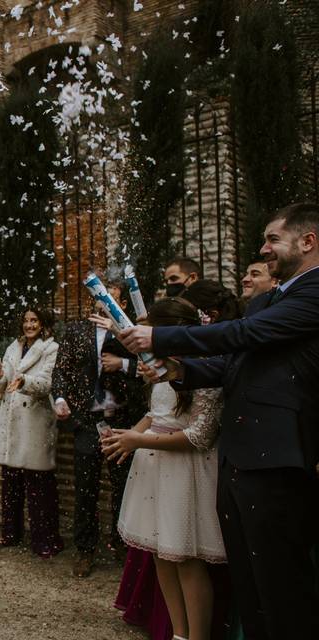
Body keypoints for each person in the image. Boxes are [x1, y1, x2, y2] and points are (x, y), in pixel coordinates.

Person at [118, 202, 319, 639]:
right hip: (239, 458)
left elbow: (242, 335)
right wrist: (176, 370)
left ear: (308, 241)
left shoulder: (314, 293)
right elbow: (233, 362)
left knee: (283, 589)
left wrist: (159, 336)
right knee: (251, 585)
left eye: (272, 239)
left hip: (278, 460)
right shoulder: (269, 299)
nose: (264, 248)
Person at [101, 297, 227, 640]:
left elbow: (200, 435)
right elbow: (156, 416)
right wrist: (128, 436)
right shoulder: (159, 366)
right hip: (154, 466)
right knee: (161, 555)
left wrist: (138, 442)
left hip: (185, 472)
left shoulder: (206, 369)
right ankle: (178, 633)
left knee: (185, 558)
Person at [52, 280, 141, 578]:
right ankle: (85, 550)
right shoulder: (77, 331)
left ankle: (122, 544)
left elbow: (149, 371)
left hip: (123, 423)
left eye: (111, 300)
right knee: (85, 489)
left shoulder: (133, 333)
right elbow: (61, 370)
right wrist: (61, 398)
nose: (104, 305)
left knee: (123, 487)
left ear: (123, 305)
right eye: (100, 300)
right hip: (88, 423)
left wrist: (123, 361)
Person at [0, 306, 63, 558]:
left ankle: (45, 538)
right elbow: (2, 386)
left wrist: (24, 382)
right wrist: (0, 376)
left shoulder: (51, 349)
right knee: (10, 480)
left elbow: (47, 383)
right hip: (12, 419)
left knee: (39, 483)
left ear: (43, 324)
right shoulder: (13, 347)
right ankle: (11, 532)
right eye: (25, 320)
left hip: (35, 419)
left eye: (34, 320)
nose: (29, 325)